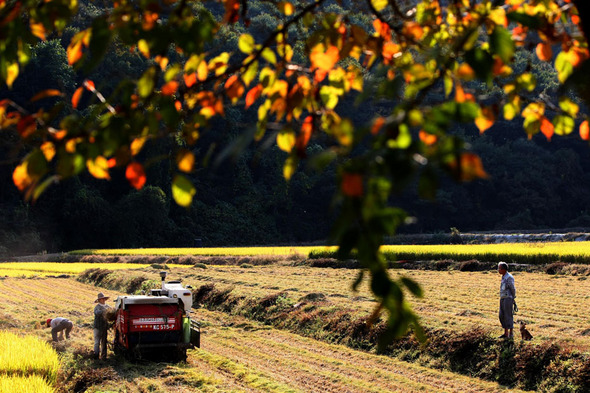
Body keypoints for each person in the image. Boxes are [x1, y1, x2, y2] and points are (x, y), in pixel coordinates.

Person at [498, 261, 516, 339]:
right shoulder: (503, 276)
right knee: (502, 315)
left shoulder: (509, 277)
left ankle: (510, 333)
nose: (498, 270)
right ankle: (505, 333)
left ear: (504, 269)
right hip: (502, 298)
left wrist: (513, 298)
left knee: (508, 315)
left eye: (499, 268)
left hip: (508, 298)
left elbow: (512, 288)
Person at [93, 292, 111, 360]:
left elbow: (112, 311)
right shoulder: (97, 307)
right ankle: (96, 356)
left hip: (104, 327)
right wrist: (104, 311)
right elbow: (97, 313)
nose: (103, 300)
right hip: (97, 327)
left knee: (104, 342)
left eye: (103, 299)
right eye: (101, 299)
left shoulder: (107, 306)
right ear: (99, 300)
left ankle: (104, 357)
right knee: (97, 342)